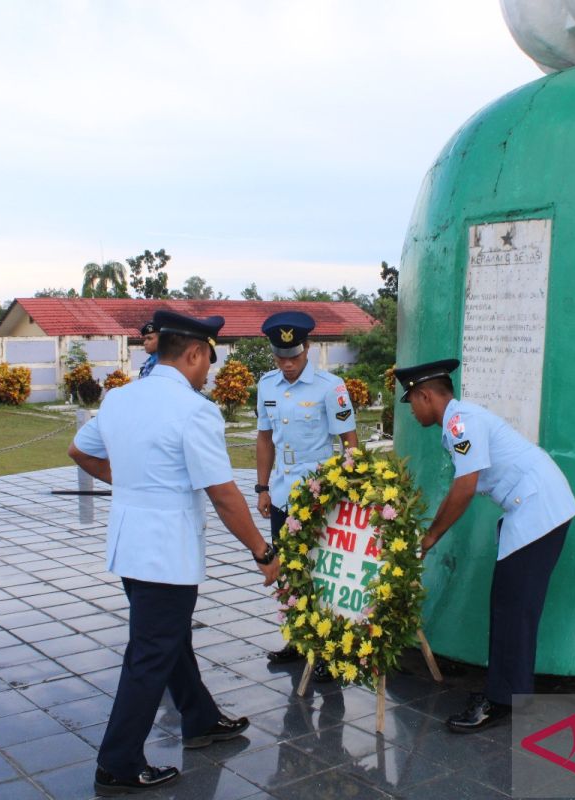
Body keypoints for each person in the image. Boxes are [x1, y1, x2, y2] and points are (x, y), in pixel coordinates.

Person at [69, 310, 280, 795]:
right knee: (151, 652)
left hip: (131, 547)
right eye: (208, 359)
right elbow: (223, 492)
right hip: (166, 553)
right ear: (192, 353)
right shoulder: (194, 410)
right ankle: (118, 763)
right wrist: (262, 551)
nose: (210, 370)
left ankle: (200, 719)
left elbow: (79, 452)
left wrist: (132, 483)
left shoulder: (120, 398)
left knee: (167, 637)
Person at [395, 358, 575, 733]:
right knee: (513, 607)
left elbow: (464, 488)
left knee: (512, 608)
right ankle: (509, 693)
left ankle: (500, 701)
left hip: (538, 511)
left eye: (411, 401)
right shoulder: (459, 422)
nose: (412, 411)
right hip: (536, 510)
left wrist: (429, 538)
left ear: (425, 395)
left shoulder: (462, 423)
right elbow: (459, 488)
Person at [253, 311, 358, 677]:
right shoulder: (267, 385)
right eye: (280, 358)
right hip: (282, 493)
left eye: (293, 357)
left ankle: (329, 650)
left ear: (308, 349)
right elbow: (264, 438)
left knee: (322, 572)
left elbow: (349, 443)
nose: (287, 364)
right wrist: (263, 487)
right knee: (288, 571)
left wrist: (348, 488)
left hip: (319, 494)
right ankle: (298, 639)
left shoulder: (331, 387)